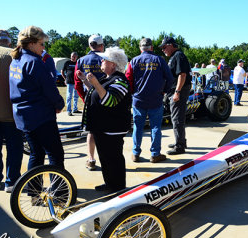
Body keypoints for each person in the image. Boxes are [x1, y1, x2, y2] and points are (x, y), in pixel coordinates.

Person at [9, 26, 65, 173]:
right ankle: (60, 193)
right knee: (56, 155)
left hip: (23, 115)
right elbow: (48, 88)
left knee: (36, 153)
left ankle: (33, 192)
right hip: (40, 116)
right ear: (31, 43)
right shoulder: (34, 61)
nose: (44, 47)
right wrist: (59, 103)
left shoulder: (16, 60)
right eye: (41, 44)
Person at [76, 47, 131, 192]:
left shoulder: (121, 81)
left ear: (113, 64)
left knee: (113, 159)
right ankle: (109, 183)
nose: (101, 61)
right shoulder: (107, 78)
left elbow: (109, 100)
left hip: (113, 128)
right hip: (102, 127)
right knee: (105, 158)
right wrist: (86, 81)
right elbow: (96, 93)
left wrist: (95, 83)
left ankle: (118, 187)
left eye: (104, 59)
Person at [125, 38, 173, 163]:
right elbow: (170, 78)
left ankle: (135, 153)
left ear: (141, 49)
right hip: (156, 99)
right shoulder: (160, 60)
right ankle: (155, 154)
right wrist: (164, 91)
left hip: (138, 100)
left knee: (138, 127)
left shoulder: (134, 61)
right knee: (156, 127)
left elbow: (128, 79)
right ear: (151, 47)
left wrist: (132, 93)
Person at [0, 29, 23, 192]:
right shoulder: (16, 54)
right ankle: (12, 181)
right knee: (14, 148)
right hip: (12, 110)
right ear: (9, 41)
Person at [74, 34, 105, 170]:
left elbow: (77, 82)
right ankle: (106, 159)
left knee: (91, 131)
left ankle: (91, 159)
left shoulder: (81, 60)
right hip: (106, 98)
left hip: (90, 99)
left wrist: (84, 98)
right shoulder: (106, 58)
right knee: (106, 130)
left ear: (89, 46)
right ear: (101, 45)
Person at [160, 37, 192, 155]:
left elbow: (182, 75)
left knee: (177, 118)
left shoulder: (178, 55)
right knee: (176, 117)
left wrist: (177, 92)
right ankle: (181, 141)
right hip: (175, 90)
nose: (163, 50)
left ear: (170, 45)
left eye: (164, 47)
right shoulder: (175, 56)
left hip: (179, 90)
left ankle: (179, 146)